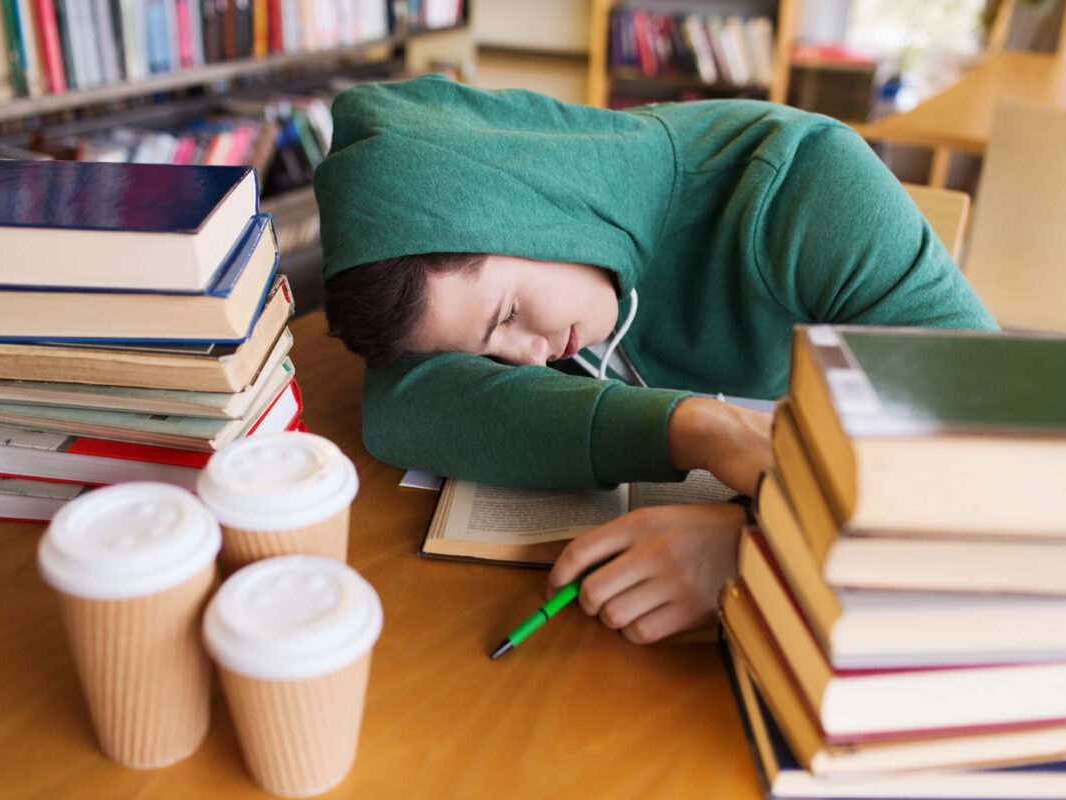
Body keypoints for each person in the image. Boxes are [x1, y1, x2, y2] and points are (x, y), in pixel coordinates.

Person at [315, 74, 997, 645]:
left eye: (509, 316)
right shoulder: (541, 267)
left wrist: (756, 546)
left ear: (524, 203)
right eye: (485, 350)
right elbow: (398, 406)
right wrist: (695, 428)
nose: (520, 359)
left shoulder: (810, 184)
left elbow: (1003, 441)